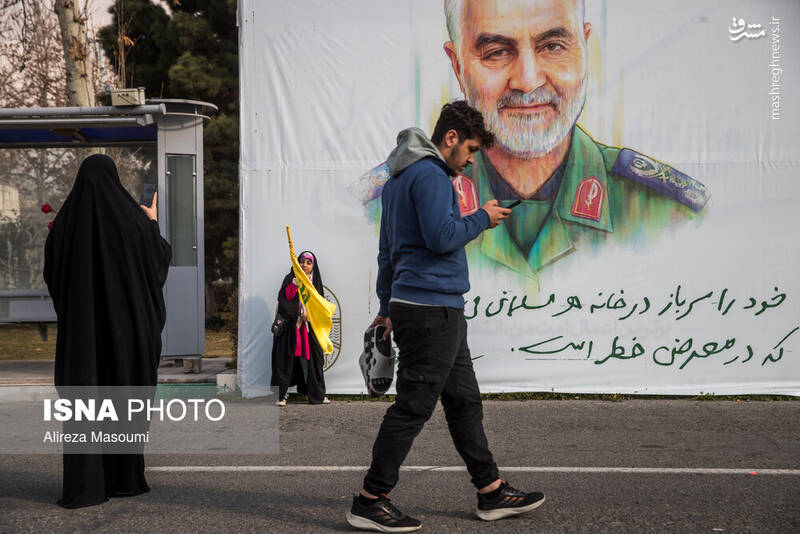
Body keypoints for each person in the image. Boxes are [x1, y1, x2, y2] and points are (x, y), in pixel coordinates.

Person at [346, 101, 545, 532]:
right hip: (432, 309)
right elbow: (442, 238)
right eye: (470, 150)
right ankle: (370, 498)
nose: (471, 161)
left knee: (463, 401)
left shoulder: (399, 179)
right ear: (449, 138)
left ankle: (490, 491)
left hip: (428, 307)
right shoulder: (431, 175)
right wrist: (484, 218)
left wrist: (385, 308)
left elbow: (387, 252)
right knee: (412, 407)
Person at [441, 0, 709, 279]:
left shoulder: (668, 212)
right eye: (496, 53)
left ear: (585, 49)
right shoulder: (400, 204)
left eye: (553, 46)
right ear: (457, 66)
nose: (528, 81)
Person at [43, 154, 171, 508]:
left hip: (83, 339)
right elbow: (158, 263)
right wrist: (152, 223)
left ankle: (85, 487)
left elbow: (53, 277)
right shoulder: (134, 223)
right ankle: (124, 478)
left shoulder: (65, 226)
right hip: (126, 337)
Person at [271, 251, 330, 406]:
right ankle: (281, 395)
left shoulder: (315, 282)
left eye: (308, 262)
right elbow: (283, 301)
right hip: (291, 327)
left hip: (310, 328)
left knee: (313, 361)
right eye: (302, 261)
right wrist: (298, 313)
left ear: (313, 266)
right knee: (286, 360)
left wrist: (310, 315)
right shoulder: (290, 279)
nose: (304, 265)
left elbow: (321, 305)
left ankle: (316, 393)